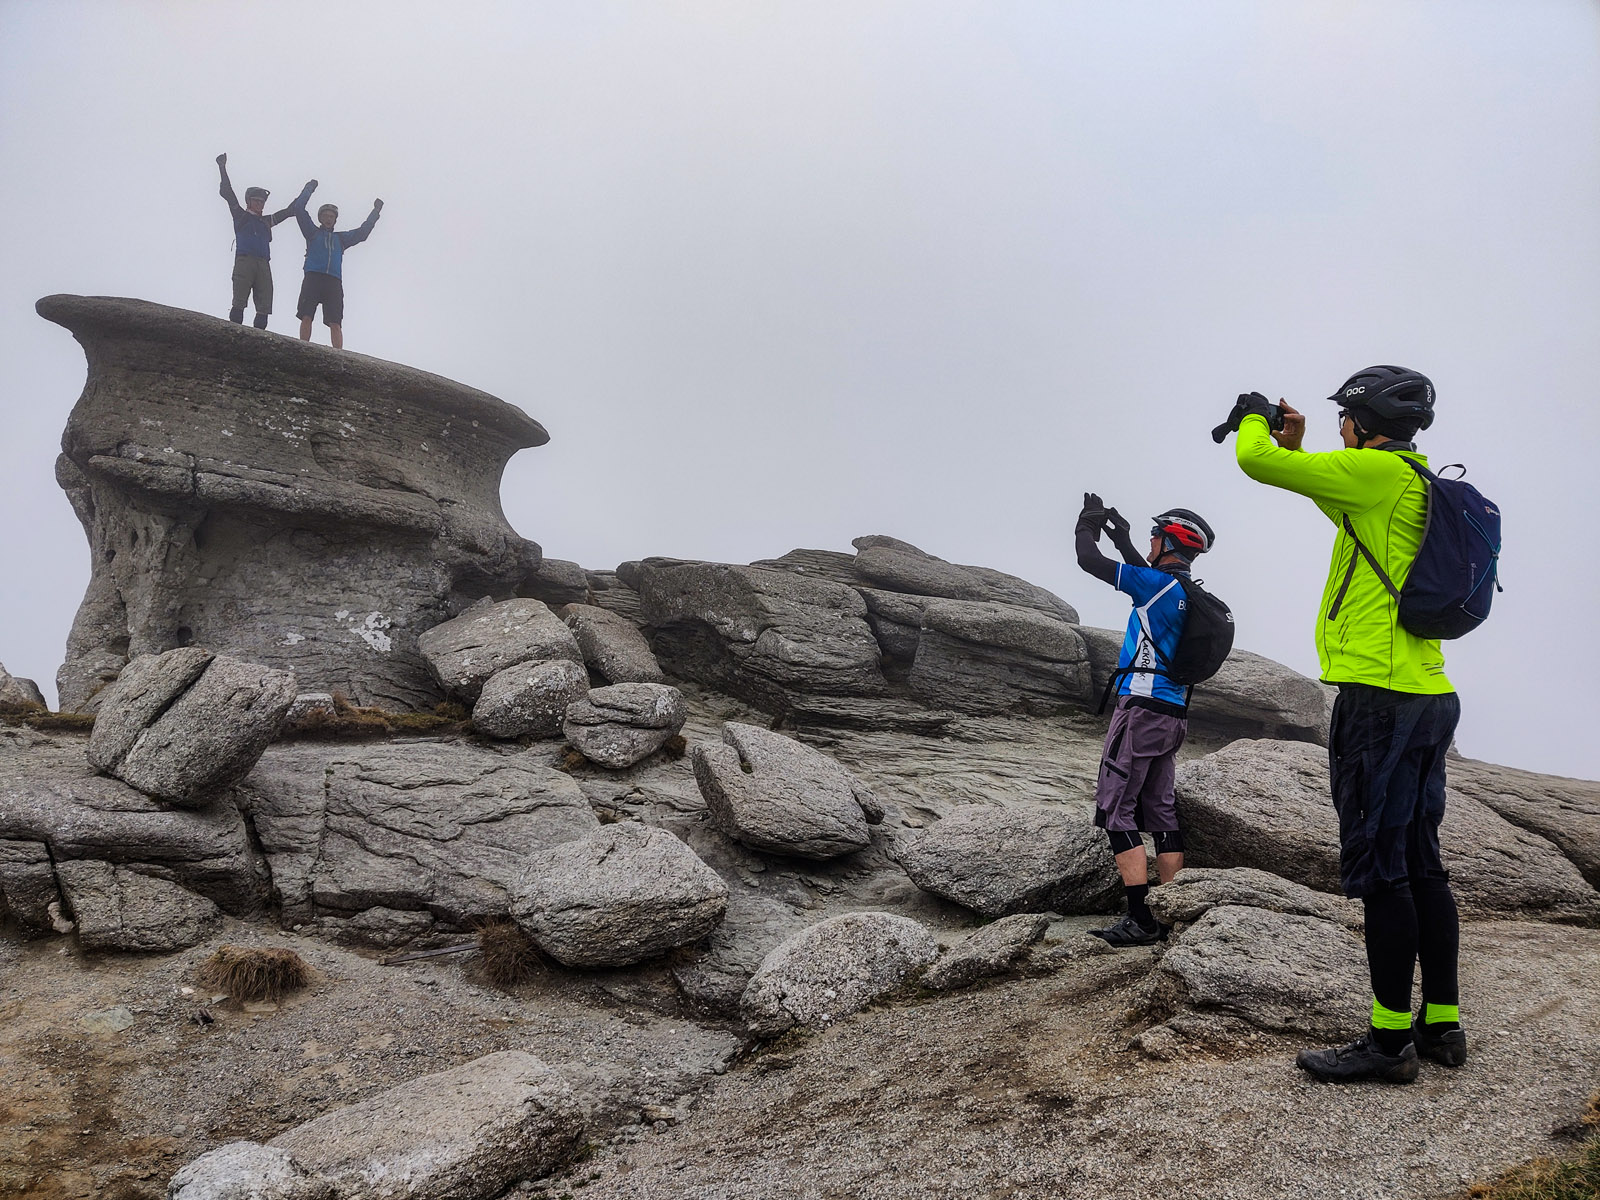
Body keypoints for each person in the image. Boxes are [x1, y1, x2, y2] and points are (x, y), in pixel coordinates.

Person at [1228, 369, 1464, 1085]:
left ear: (1363, 422)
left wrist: (1255, 419)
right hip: (1429, 695)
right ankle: (1441, 1025)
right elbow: (1328, 498)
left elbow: (1254, 462)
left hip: (1379, 701)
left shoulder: (1374, 474)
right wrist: (1298, 447)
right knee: (1422, 863)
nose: (1338, 429)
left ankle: (1388, 1043)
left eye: (1343, 419)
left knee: (1382, 869)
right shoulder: (1409, 483)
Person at [1075, 493, 1215, 946]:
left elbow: (1087, 560)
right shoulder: (1187, 593)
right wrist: (1125, 540)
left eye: (1156, 535)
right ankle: (1170, 914)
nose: (1150, 541)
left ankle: (1141, 920)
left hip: (1140, 711)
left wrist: (1087, 523)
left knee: (1116, 809)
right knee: (1160, 811)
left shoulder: (1155, 585)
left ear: (1169, 542)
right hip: (1173, 714)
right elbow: (1148, 575)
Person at [215, 153, 316, 329]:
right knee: (239, 301)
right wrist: (222, 167)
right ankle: (232, 334)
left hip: (263, 263)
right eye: (256, 201)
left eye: (262, 202)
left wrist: (308, 189)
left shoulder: (266, 221)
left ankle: (259, 338)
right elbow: (227, 192)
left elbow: (289, 210)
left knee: (264, 305)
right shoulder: (241, 216)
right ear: (248, 201)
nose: (260, 204)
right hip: (245, 260)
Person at [291, 194, 383, 349]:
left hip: (333, 280)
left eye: (331, 216)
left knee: (335, 321)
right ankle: (303, 346)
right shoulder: (312, 232)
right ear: (320, 218)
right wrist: (310, 188)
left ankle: (339, 353)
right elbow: (299, 209)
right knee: (307, 314)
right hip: (313, 276)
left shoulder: (340, 238)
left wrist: (375, 212)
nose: (328, 219)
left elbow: (362, 233)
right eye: (325, 216)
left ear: (335, 220)